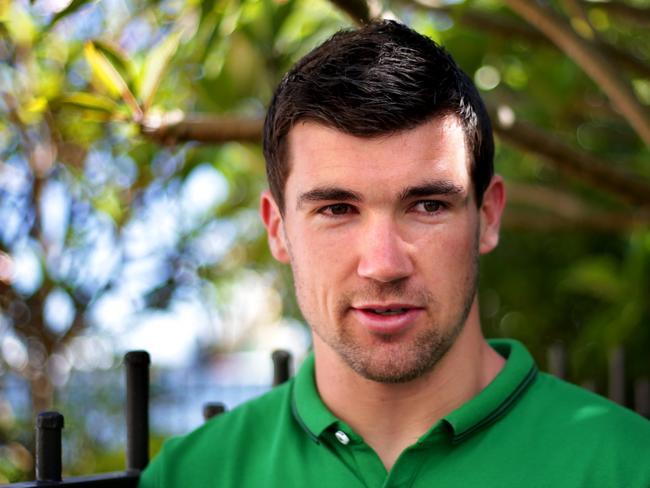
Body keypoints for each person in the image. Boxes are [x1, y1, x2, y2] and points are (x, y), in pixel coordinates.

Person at [138, 20, 650, 487]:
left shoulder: (627, 466)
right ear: (278, 229)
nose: (383, 264)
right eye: (337, 209)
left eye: (427, 205)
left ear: (488, 216)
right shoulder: (191, 476)